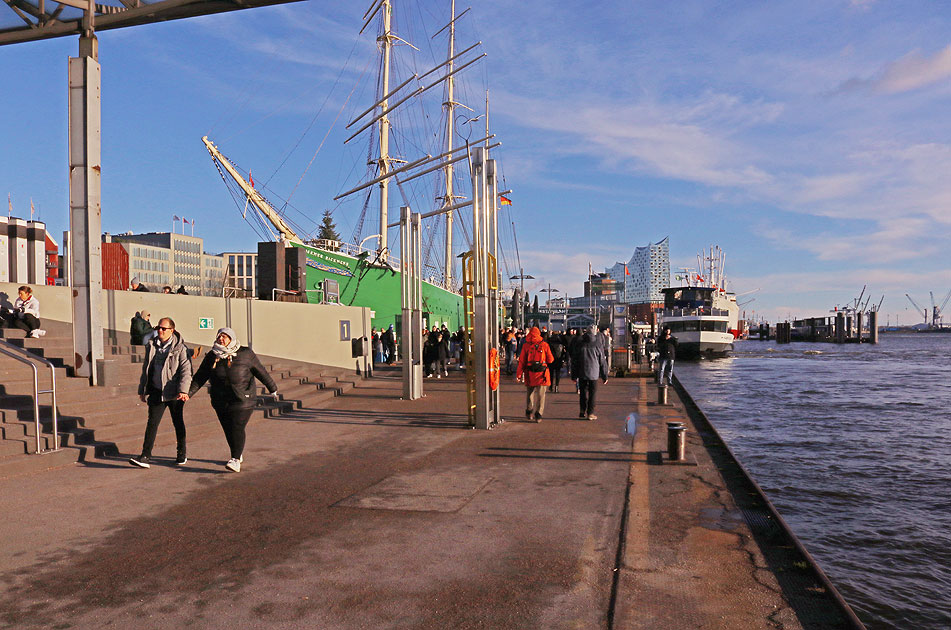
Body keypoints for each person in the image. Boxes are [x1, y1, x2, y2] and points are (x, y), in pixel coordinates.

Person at [188, 327, 278, 473]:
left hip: (243, 399)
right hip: (220, 399)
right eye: (219, 336)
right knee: (228, 429)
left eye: (224, 336)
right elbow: (200, 376)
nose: (221, 339)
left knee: (237, 426)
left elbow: (260, 371)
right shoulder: (212, 355)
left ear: (231, 339)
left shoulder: (245, 354)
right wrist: (188, 393)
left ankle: (235, 459)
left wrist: (272, 388)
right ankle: (237, 451)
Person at [129, 317, 192, 468]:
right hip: (156, 391)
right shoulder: (152, 345)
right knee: (152, 423)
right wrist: (143, 389)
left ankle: (181, 453)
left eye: (164, 328)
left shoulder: (180, 348)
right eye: (158, 328)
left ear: (172, 330)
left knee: (178, 422)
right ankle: (145, 456)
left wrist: (183, 390)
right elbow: (146, 368)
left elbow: (186, 371)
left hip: (174, 392)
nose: (160, 331)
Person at [571, 325, 608, 421]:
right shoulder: (597, 344)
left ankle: (582, 411)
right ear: (595, 332)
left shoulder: (580, 344)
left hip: (582, 371)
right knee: (592, 393)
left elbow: (575, 360)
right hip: (594, 372)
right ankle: (590, 413)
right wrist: (604, 375)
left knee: (583, 393)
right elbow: (602, 361)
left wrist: (574, 375)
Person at [516, 326, 554, 422]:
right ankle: (538, 414)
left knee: (530, 393)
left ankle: (529, 411)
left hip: (530, 373)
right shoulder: (544, 345)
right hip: (542, 373)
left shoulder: (526, 345)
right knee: (541, 395)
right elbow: (551, 359)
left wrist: (519, 375)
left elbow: (522, 361)